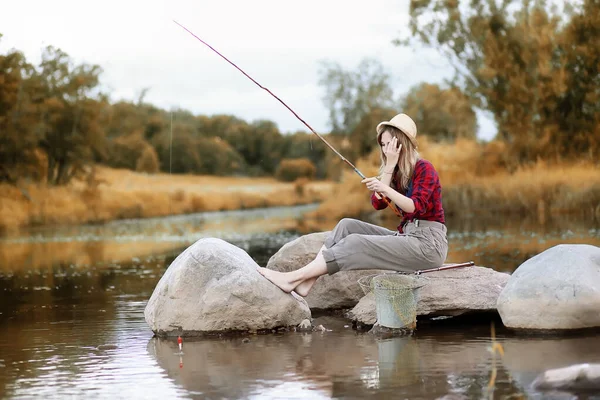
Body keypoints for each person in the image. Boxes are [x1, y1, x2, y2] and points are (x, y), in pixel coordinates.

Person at [257, 113, 448, 296]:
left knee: (355, 242)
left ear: (401, 144)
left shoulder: (424, 168)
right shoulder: (397, 172)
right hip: (408, 236)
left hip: (428, 245)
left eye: (389, 144)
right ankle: (308, 282)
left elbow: (414, 207)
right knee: (347, 225)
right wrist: (388, 169)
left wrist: (384, 187)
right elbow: (377, 203)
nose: (385, 149)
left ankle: (292, 278)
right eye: (382, 145)